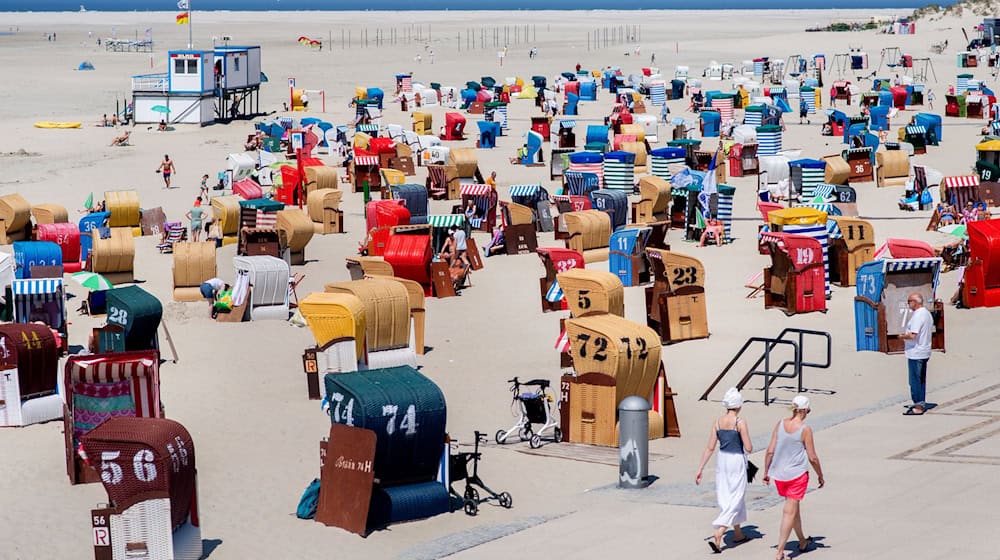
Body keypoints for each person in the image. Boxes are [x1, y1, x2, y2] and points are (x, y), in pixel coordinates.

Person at [763, 395, 825, 560]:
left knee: (793, 508)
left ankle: (802, 541)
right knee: (789, 511)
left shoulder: (780, 424)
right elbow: (812, 457)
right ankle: (780, 552)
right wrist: (820, 475)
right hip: (796, 475)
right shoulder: (805, 429)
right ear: (804, 410)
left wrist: (766, 471)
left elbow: (770, 450)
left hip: (779, 475)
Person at [695, 388, 752, 554]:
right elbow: (748, 447)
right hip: (736, 460)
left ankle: (738, 533)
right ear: (739, 405)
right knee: (737, 494)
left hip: (722, 461)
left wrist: (700, 468)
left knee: (728, 494)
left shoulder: (717, 422)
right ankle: (719, 532)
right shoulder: (740, 422)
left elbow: (709, 448)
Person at [901, 292, 933, 415]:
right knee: (920, 379)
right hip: (923, 350)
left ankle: (918, 405)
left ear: (915, 302)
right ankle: (920, 403)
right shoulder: (926, 313)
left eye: (909, 301)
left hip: (916, 352)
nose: (908, 304)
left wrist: (901, 336)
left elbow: (913, 334)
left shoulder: (919, 315)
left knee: (914, 380)